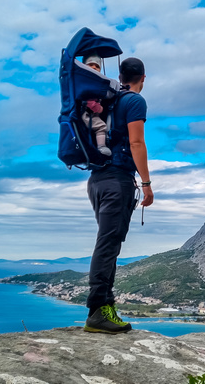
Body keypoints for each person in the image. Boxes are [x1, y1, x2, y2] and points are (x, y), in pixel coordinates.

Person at [84, 57, 154, 334]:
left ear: (121, 75)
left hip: (97, 181)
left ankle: (105, 305)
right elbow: (137, 142)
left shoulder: (109, 100)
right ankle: (97, 310)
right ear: (143, 78)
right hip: (117, 181)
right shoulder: (135, 101)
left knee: (110, 242)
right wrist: (146, 183)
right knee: (109, 244)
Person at [80, 54, 111, 156]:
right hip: (87, 114)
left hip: (91, 113)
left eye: (97, 66)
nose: (94, 67)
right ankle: (101, 146)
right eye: (90, 65)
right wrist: (99, 108)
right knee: (101, 127)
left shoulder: (94, 82)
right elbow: (89, 102)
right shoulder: (86, 83)